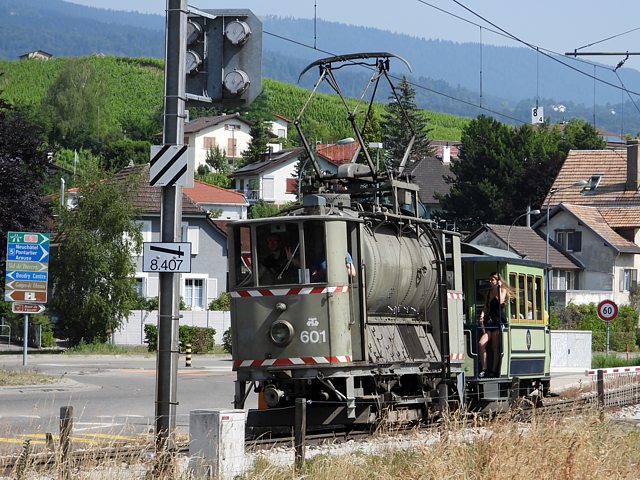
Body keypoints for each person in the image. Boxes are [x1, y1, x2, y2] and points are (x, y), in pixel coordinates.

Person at [478, 272, 509, 378]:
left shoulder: (503, 290)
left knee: (495, 347)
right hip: (489, 322)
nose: (490, 282)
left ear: (497, 281)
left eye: (493, 280)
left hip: (497, 321)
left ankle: (494, 370)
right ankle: (484, 369)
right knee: (481, 343)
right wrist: (482, 314)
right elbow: (486, 306)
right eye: (490, 280)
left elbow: (500, 302)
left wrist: (499, 287)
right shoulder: (488, 292)